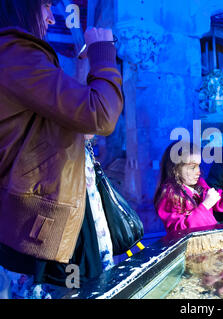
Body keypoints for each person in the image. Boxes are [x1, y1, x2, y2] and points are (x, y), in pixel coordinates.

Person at [0, 0, 123, 298]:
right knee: (64, 290)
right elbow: (101, 113)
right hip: (37, 228)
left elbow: (57, 121)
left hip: (46, 220)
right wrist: (103, 54)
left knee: (70, 286)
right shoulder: (15, 53)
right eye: (44, 6)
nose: (49, 16)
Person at [154, 141, 223, 234]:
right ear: (175, 169)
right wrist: (205, 205)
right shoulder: (170, 194)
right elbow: (179, 230)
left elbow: (218, 201)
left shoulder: (200, 185)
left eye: (198, 165)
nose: (198, 171)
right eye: (192, 167)